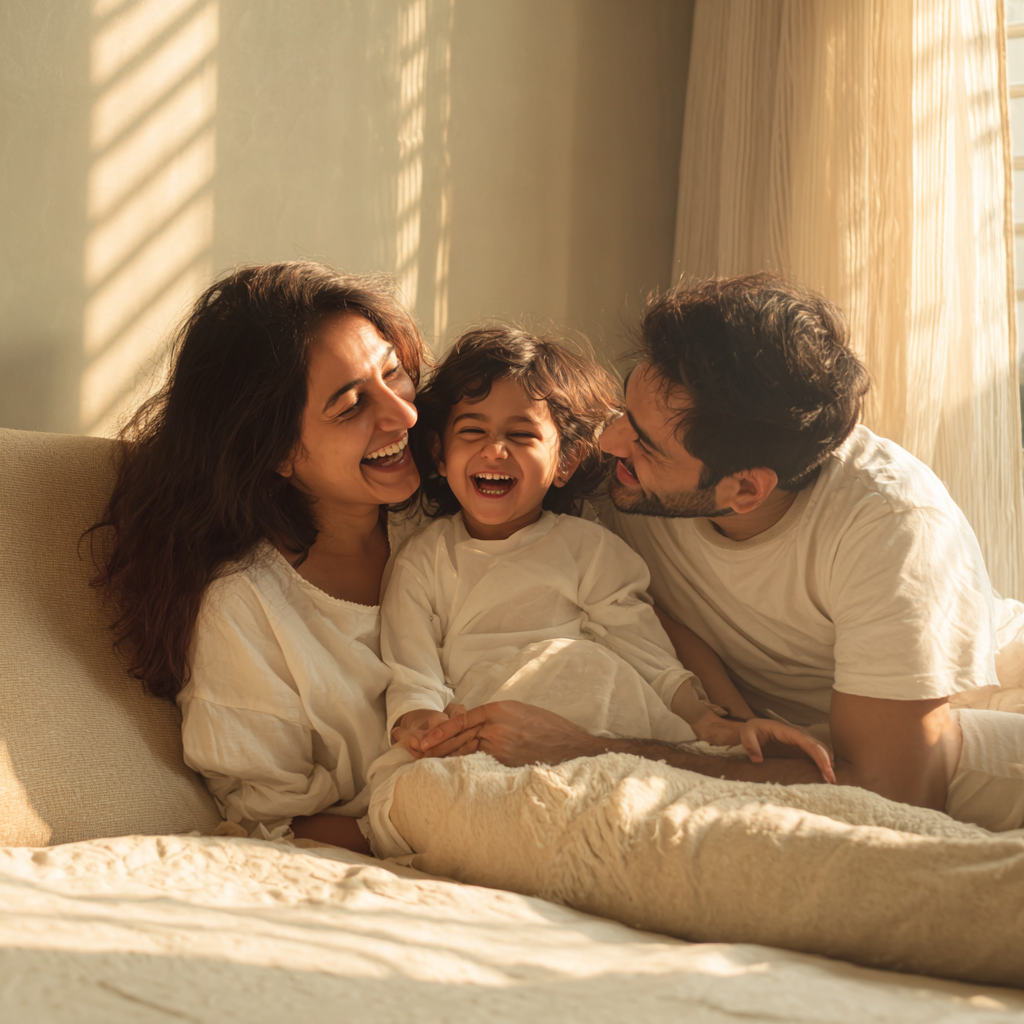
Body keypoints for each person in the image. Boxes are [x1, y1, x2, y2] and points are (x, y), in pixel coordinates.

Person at [417, 274, 1024, 832]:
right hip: (763, 720)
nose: (609, 439)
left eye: (645, 443)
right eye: (626, 409)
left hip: (961, 695)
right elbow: (654, 613)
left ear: (743, 489)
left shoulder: (890, 527)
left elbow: (890, 792)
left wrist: (590, 750)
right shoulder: (614, 466)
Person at [368, 326, 833, 857]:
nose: (495, 450)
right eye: (472, 432)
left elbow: (645, 652)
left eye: (522, 436)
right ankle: (524, 832)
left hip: (579, 731)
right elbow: (411, 666)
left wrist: (707, 719)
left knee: (582, 667)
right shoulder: (423, 558)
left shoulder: (590, 548)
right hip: (474, 733)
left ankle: (606, 829)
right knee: (417, 793)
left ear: (565, 460)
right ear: (440, 449)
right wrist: (423, 722)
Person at [91, 261, 430, 853]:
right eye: (351, 405)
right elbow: (272, 827)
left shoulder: (446, 515)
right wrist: (437, 834)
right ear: (275, 451)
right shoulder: (245, 609)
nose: (403, 414)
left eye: (393, 373)